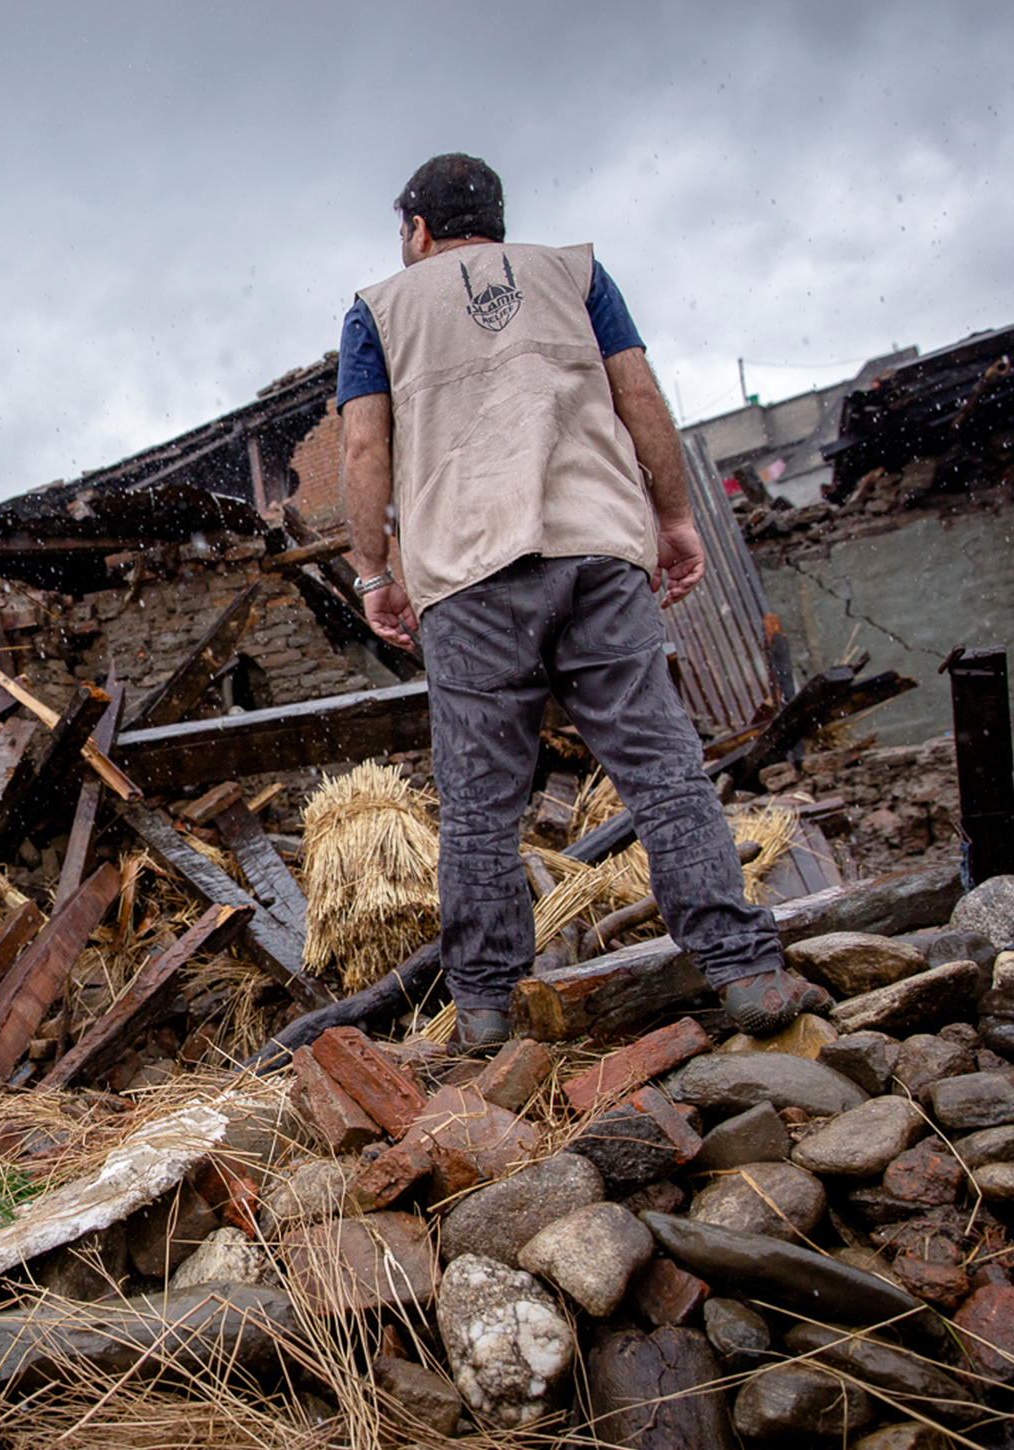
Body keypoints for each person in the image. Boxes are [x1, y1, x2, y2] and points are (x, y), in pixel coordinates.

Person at [334, 153, 830, 1048]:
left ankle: (485, 1009)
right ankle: (747, 972)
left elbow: (365, 451)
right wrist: (675, 516)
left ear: (416, 229)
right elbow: (637, 392)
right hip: (597, 551)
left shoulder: (380, 308)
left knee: (482, 800)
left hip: (469, 578)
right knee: (661, 767)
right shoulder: (578, 274)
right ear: (496, 216)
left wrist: (373, 572)